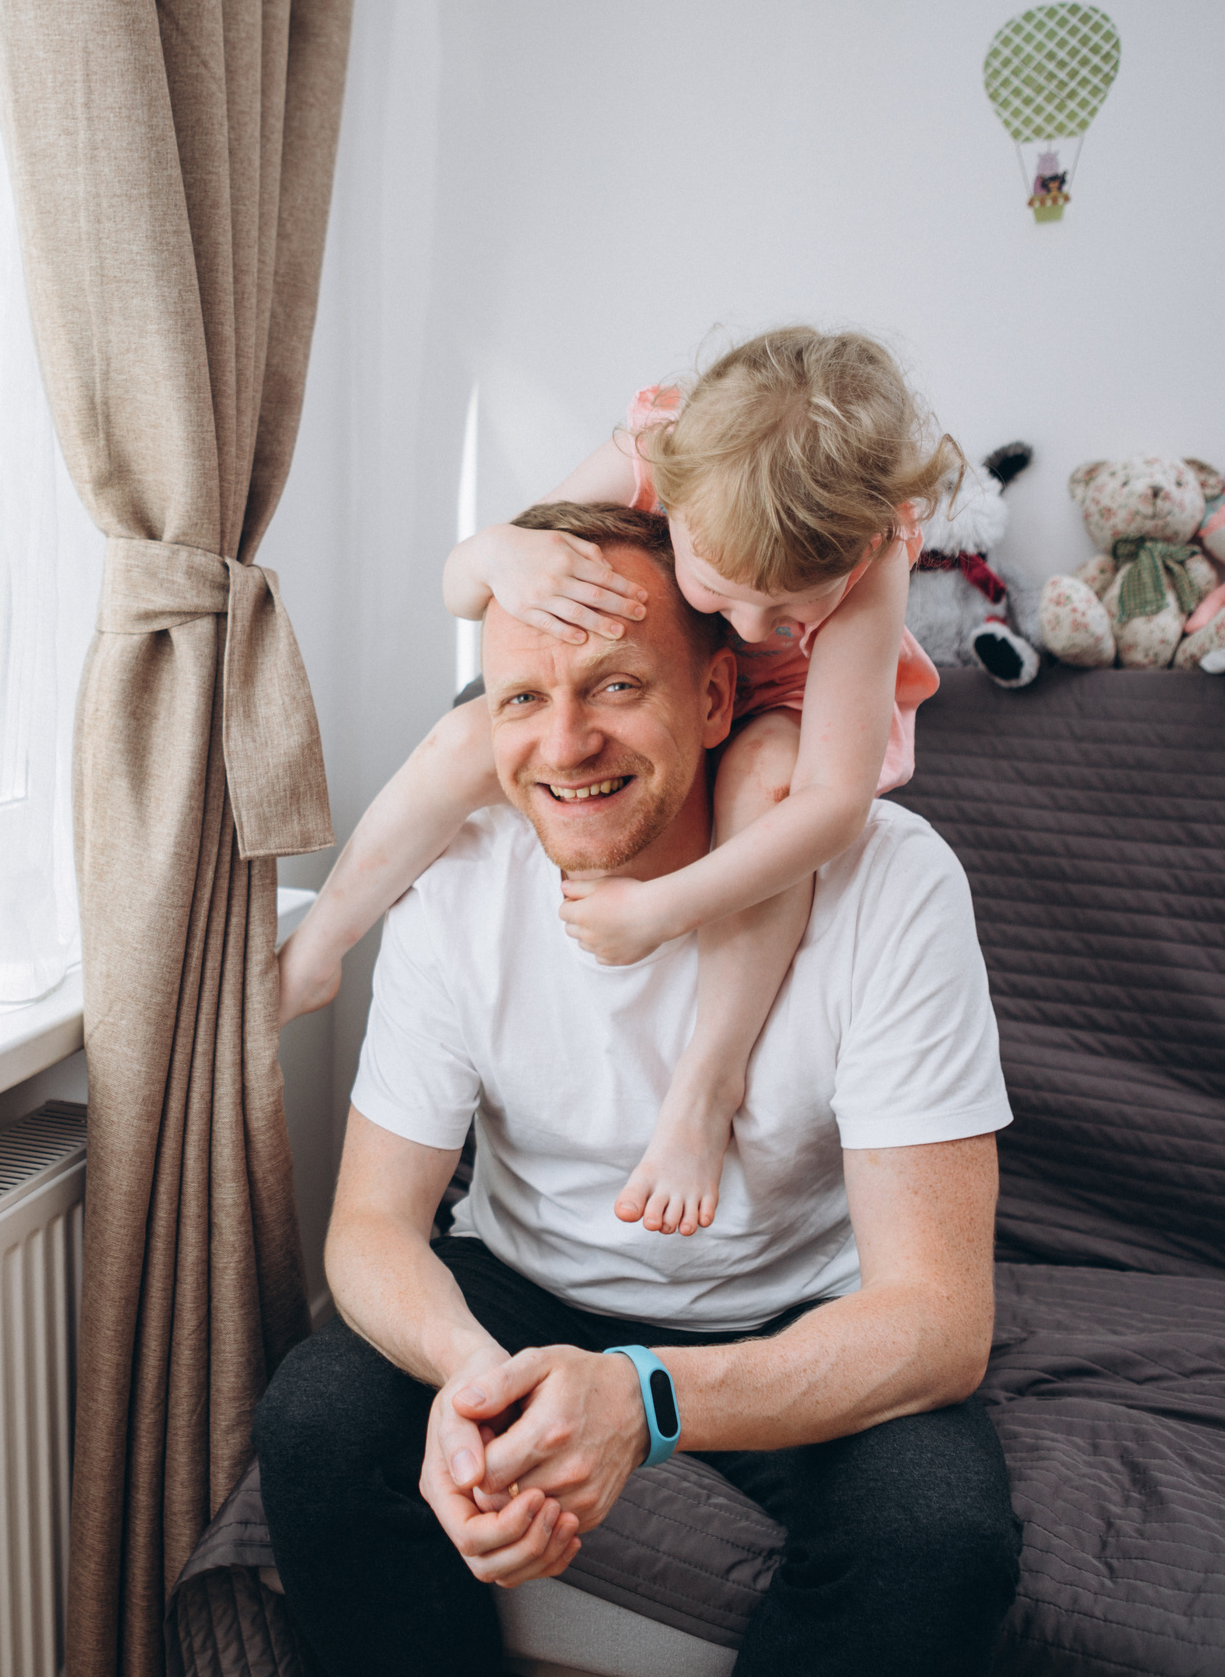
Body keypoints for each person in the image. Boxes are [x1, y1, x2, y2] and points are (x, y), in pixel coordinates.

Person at [251, 507, 1019, 1677]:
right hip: (519, 1290)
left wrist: (646, 1399)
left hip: (798, 1311)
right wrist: (474, 1380)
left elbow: (940, 1325)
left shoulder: (892, 882)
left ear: (717, 702)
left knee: (937, 1537)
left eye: (613, 687)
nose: (562, 746)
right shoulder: (457, 880)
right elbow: (367, 1227)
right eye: (519, 700)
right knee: (316, 1421)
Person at [278, 328, 953, 1238]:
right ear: (678, 496)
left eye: (792, 605)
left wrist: (664, 907)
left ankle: (705, 1087)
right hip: (659, 681)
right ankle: (321, 945)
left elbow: (833, 805)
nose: (753, 627)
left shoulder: (875, 556)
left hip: (792, 714)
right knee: (458, 739)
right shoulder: (659, 451)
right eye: (720, 587)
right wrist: (497, 556)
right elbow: (462, 582)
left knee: (763, 780)